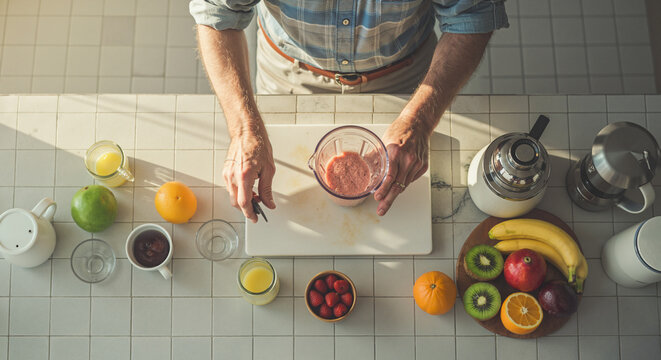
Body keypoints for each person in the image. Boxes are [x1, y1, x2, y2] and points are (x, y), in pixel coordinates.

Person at [190, 0, 508, 223]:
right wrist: (245, 131)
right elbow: (217, 13)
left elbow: (472, 14)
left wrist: (420, 121)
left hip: (405, 77)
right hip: (288, 71)